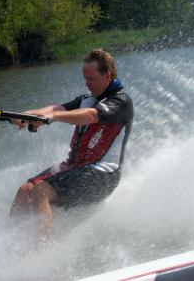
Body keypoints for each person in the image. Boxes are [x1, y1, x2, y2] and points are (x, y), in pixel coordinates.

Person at [11, 48, 133, 243]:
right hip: (76, 167)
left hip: (102, 176)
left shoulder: (121, 101)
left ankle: (36, 255)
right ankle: (10, 244)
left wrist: (54, 117)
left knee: (40, 191)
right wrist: (26, 115)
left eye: (91, 79)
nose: (87, 83)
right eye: (85, 78)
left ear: (107, 75)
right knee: (24, 190)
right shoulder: (86, 99)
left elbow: (90, 116)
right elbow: (55, 108)